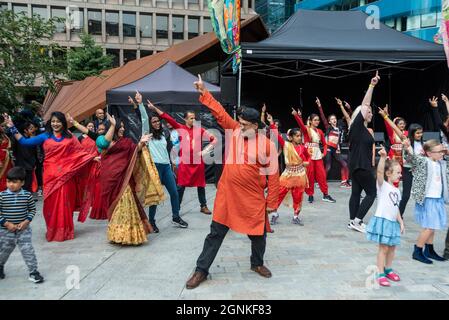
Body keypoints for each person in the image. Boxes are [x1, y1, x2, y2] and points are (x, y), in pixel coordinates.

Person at [185, 75, 280, 289]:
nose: (240, 126)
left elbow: (273, 176)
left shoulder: (267, 145)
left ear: (256, 126)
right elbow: (220, 113)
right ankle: (201, 270)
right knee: (215, 233)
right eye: (240, 122)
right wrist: (204, 92)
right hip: (227, 195)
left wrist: (272, 202)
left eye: (245, 124)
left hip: (252, 199)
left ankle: (257, 263)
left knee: (258, 234)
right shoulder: (236, 130)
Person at [5, 112, 96, 242]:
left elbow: (80, 152)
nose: (55, 124)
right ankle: (53, 230)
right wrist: (12, 127)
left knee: (66, 202)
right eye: (53, 121)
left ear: (63, 123)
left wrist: (92, 158)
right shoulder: (45, 136)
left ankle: (65, 230)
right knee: (51, 205)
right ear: (50, 123)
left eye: (58, 121)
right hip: (50, 175)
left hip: (66, 175)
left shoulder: (70, 136)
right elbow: (25, 142)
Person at [98, 121, 165, 245]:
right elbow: (103, 146)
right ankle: (117, 234)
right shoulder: (102, 141)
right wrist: (113, 124)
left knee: (125, 202)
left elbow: (135, 151)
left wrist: (141, 143)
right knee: (114, 205)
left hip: (124, 178)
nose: (122, 128)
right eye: (120, 126)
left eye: (123, 126)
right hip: (109, 179)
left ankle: (127, 235)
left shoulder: (126, 142)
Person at [132, 92, 188, 232]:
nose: (157, 123)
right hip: (155, 167)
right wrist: (139, 104)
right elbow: (144, 119)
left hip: (166, 167)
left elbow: (167, 150)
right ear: (150, 124)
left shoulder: (164, 134)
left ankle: (175, 216)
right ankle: (152, 221)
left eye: (158, 121)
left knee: (174, 192)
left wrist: (172, 163)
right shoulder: (147, 135)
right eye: (154, 122)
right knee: (155, 197)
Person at [159, 106, 216, 215]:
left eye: (194, 118)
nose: (193, 120)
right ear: (185, 119)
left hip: (198, 163)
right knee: (181, 186)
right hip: (185, 163)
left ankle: (203, 206)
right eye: (191, 118)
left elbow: (214, 139)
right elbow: (168, 118)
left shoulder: (200, 130)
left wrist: (206, 150)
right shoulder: (180, 128)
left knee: (201, 185)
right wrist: (156, 109)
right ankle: (177, 207)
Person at [403, 139, 448, 264]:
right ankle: (417, 250)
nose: (441, 153)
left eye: (442, 151)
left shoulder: (441, 163)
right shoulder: (424, 162)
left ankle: (429, 249)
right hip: (427, 199)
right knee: (429, 226)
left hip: (437, 198)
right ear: (429, 153)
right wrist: (408, 148)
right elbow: (413, 159)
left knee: (433, 226)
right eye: (439, 151)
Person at [366, 147, 404, 287]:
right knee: (384, 249)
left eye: (401, 172)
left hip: (393, 222)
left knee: (392, 247)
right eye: (398, 172)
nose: (400, 175)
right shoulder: (383, 186)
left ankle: (388, 269)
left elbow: (396, 207)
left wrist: (400, 222)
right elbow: (380, 172)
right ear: (389, 173)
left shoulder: (396, 190)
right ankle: (380, 272)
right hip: (383, 221)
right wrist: (382, 158)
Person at [347, 71, 380, 233]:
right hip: (361, 165)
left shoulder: (364, 130)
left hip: (357, 164)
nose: (370, 113)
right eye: (368, 112)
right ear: (360, 114)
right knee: (372, 193)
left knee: (356, 193)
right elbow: (365, 104)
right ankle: (358, 221)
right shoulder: (357, 126)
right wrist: (372, 85)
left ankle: (352, 220)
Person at [68, 114, 116, 220]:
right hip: (100, 166)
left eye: (103, 129)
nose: (100, 130)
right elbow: (85, 130)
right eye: (99, 129)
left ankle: (111, 209)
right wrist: (74, 122)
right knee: (100, 189)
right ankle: (101, 211)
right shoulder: (98, 138)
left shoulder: (114, 137)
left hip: (112, 166)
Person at [0, 167, 43, 283]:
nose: (11, 185)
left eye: (14, 182)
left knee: (28, 250)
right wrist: (6, 223)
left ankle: (33, 272)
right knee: (4, 251)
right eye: (8, 181)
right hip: (5, 231)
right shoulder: (2, 196)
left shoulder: (27, 196)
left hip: (23, 230)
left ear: (22, 182)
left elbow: (32, 210)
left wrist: (26, 221)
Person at [267, 112, 309, 226]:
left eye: (300, 136)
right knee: (279, 194)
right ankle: (275, 213)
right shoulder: (286, 145)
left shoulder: (303, 147)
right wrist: (271, 123)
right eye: (297, 136)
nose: (299, 137)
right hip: (288, 174)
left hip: (299, 175)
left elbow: (308, 157)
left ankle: (296, 216)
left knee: (298, 196)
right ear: (290, 137)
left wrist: (306, 163)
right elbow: (276, 135)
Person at [293, 107, 336, 204]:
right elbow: (300, 125)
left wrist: (324, 153)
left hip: (318, 156)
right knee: (310, 176)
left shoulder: (320, 131)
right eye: (315, 120)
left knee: (322, 175)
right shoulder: (306, 130)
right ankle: (310, 195)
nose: (317, 121)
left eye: (318, 120)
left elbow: (325, 144)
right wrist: (296, 116)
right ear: (311, 121)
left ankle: (325, 194)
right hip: (309, 156)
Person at [315, 97, 350, 188]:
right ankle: (320, 182)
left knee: (345, 164)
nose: (334, 120)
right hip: (329, 148)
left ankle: (343, 182)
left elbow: (348, 117)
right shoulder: (328, 127)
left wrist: (348, 108)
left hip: (336, 149)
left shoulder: (339, 128)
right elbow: (322, 117)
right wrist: (319, 106)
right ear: (329, 121)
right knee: (328, 166)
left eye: (335, 118)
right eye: (332, 119)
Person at [11, 121, 38, 193]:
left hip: (28, 164)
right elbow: (16, 150)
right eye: (30, 128)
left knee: (28, 183)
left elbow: (34, 152)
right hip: (23, 164)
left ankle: (26, 198)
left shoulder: (31, 138)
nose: (33, 130)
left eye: (33, 128)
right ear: (25, 130)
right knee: (24, 183)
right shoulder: (20, 138)